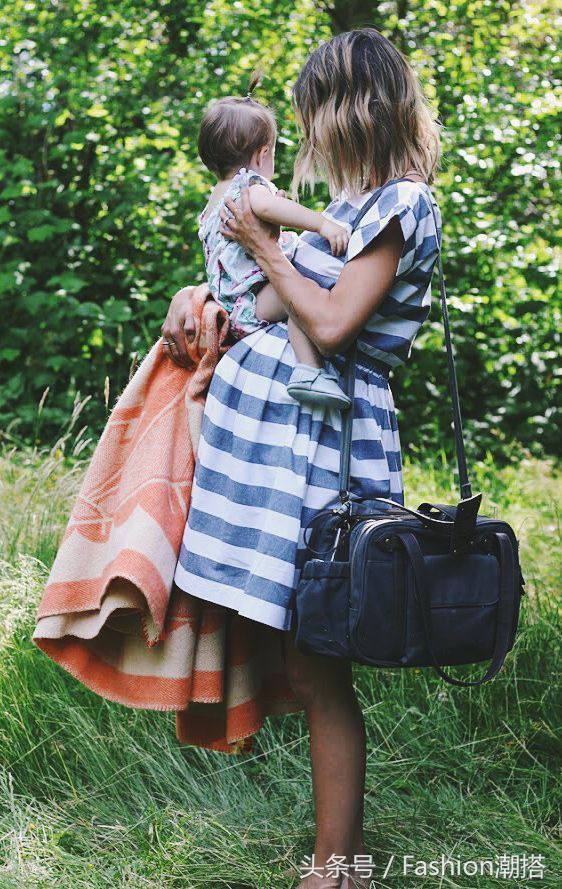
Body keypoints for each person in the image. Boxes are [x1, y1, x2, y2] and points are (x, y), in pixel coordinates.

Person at [162, 27, 442, 889]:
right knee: (292, 656)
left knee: (319, 659)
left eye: (313, 112)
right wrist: (202, 287)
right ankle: (333, 855)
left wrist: (264, 245)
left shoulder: (402, 203)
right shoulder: (352, 206)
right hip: (279, 455)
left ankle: (339, 866)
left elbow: (327, 321)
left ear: (350, 108)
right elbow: (279, 293)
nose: (307, 132)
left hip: (327, 449)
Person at [196, 88, 352, 409]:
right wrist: (322, 224)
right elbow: (268, 209)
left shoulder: (215, 199)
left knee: (292, 288)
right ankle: (308, 371)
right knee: (297, 292)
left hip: (233, 305)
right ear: (261, 154)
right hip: (250, 303)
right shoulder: (250, 184)